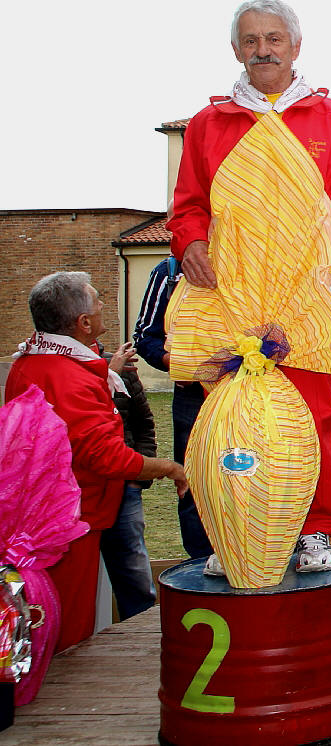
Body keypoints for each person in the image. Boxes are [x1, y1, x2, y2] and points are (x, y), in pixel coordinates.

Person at [169, 0, 331, 575]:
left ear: (295, 47)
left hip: (307, 303)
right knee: (226, 423)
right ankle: (228, 534)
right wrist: (189, 245)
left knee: (313, 420)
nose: (263, 50)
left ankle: (314, 531)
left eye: (274, 39)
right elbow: (186, 208)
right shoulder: (209, 125)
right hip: (229, 302)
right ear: (236, 50)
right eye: (251, 41)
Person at [4, 272, 188, 651]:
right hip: (72, 515)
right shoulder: (70, 376)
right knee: (67, 618)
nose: (104, 305)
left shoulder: (31, 361)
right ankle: (59, 688)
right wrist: (170, 468)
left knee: (52, 606)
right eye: (98, 301)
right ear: (83, 323)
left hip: (42, 510)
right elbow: (105, 455)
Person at [133, 255, 212, 558]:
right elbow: (144, 336)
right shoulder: (170, 271)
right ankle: (201, 565)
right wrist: (180, 364)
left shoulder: (253, 261)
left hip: (249, 391)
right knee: (194, 483)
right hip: (192, 396)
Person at [96, 338, 160, 619]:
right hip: (84, 489)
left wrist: (138, 479)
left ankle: (138, 629)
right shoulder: (67, 370)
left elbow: (144, 424)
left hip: (125, 485)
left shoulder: (123, 369)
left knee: (133, 570)